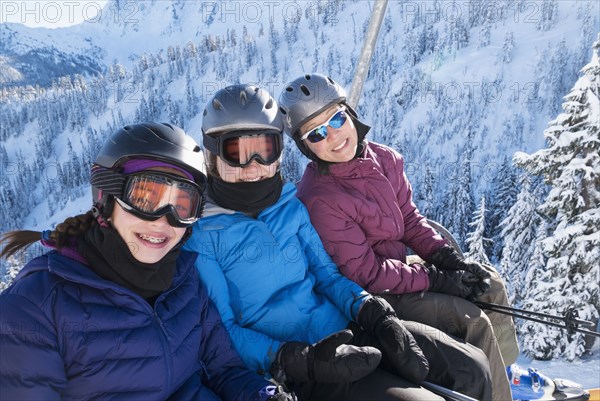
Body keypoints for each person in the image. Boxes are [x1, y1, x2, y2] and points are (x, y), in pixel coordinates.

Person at [185, 84, 493, 401]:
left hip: (345, 327)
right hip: (299, 367)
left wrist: (372, 311)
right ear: (212, 154)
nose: (252, 165)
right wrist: (294, 359)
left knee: (472, 368)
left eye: (264, 149)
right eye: (235, 151)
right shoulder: (201, 235)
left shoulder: (288, 205)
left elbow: (328, 276)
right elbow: (222, 331)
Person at [0, 122, 295, 401]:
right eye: (145, 197)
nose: (163, 220)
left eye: (182, 205)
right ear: (106, 198)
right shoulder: (34, 309)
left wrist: (262, 394)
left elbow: (224, 370)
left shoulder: (184, 280)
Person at [278, 73, 521, 401]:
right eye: (318, 133)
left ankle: (501, 374)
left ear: (350, 113)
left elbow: (409, 220)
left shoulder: (384, 159)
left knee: (487, 283)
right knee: (470, 319)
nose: (335, 136)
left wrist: (444, 257)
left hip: (396, 268)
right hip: (374, 295)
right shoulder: (320, 199)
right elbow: (368, 275)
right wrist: (436, 279)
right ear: (306, 147)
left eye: (337, 118)